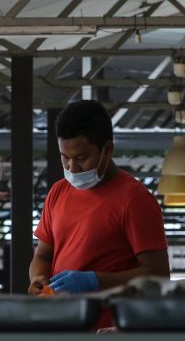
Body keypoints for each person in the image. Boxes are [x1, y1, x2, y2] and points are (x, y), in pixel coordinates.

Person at [29, 100, 170, 300]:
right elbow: (43, 255)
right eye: (64, 158)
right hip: (64, 322)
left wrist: (96, 281)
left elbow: (159, 275)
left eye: (81, 158)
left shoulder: (135, 200)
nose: (72, 168)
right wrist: (38, 278)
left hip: (111, 326)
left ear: (108, 150)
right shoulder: (58, 192)